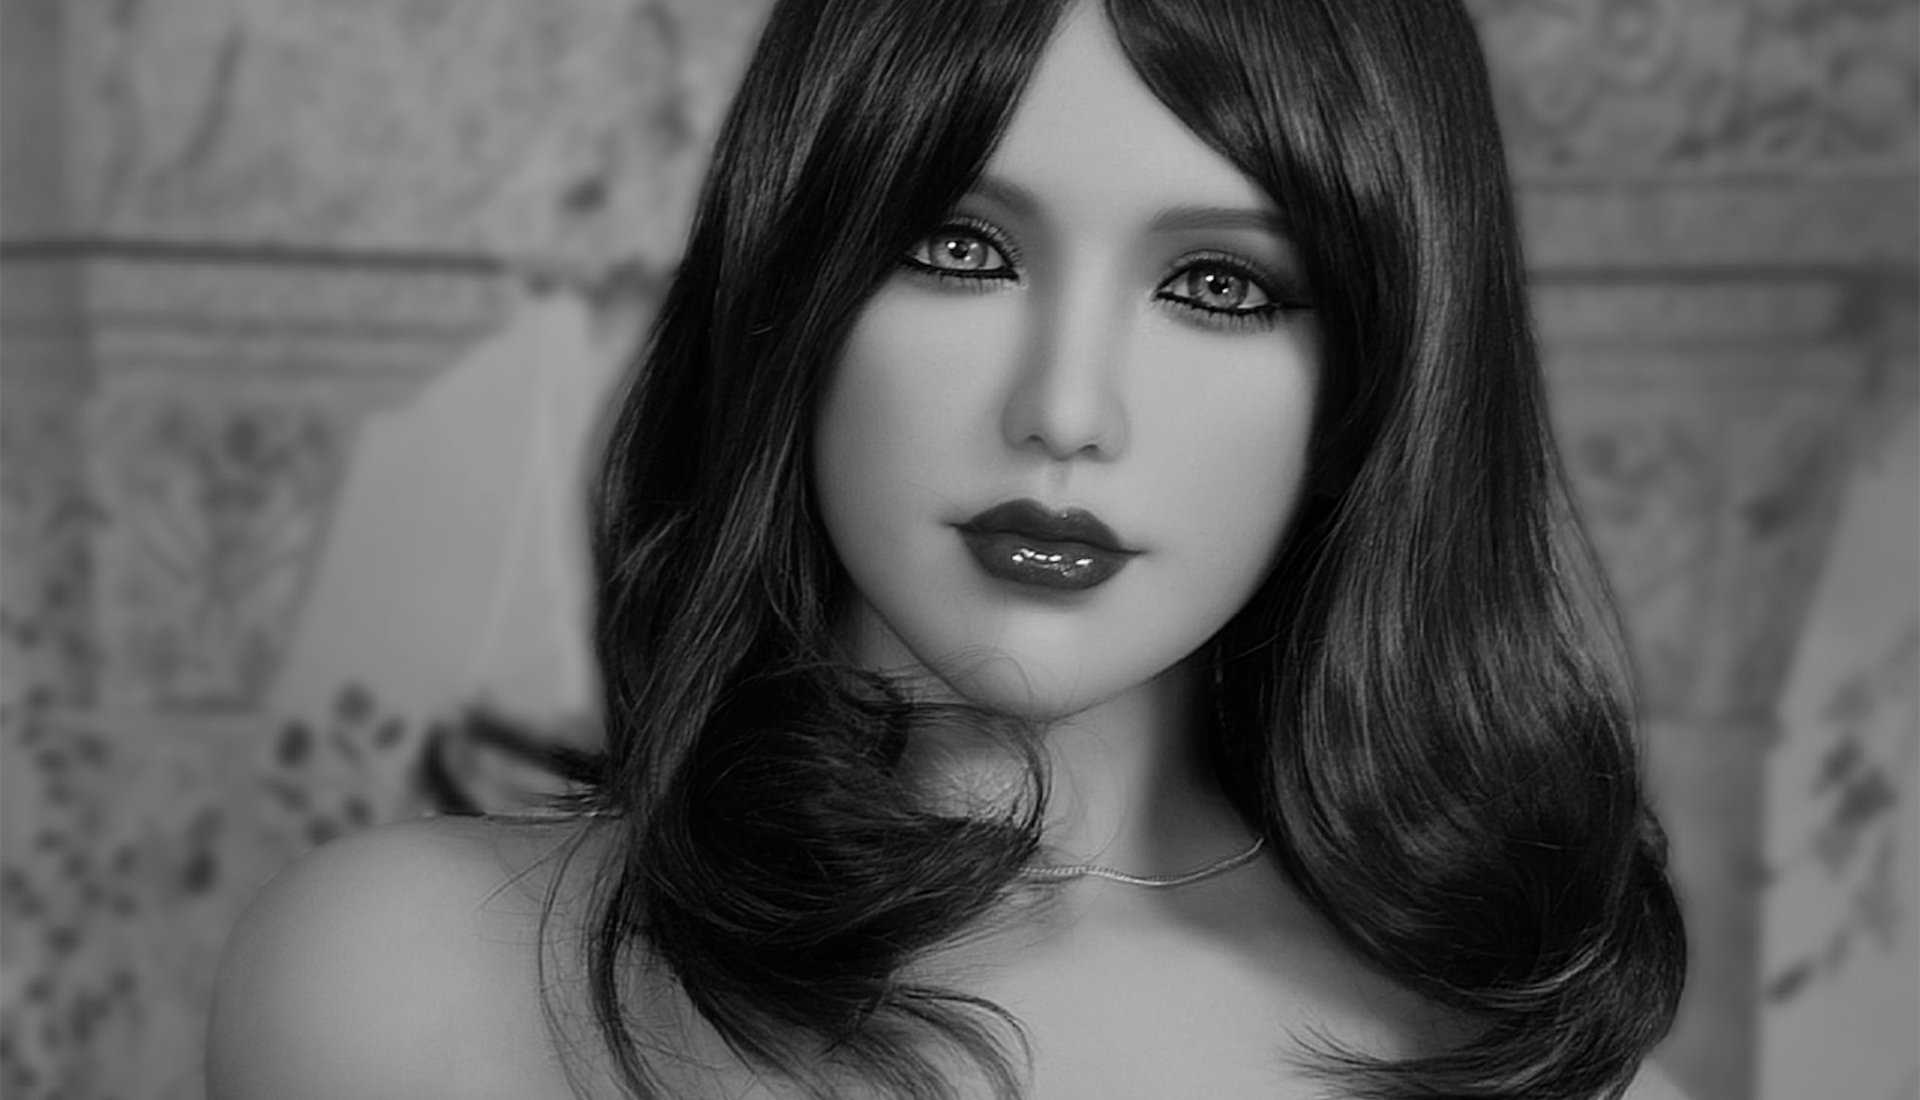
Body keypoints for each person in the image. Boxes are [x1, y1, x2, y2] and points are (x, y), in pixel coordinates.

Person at [206, 1, 1691, 1098]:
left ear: (1382, 374)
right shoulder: (402, 978)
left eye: (1220, 286)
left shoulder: (1524, 1066)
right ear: (797, 285)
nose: (1066, 411)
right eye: (962, 250)